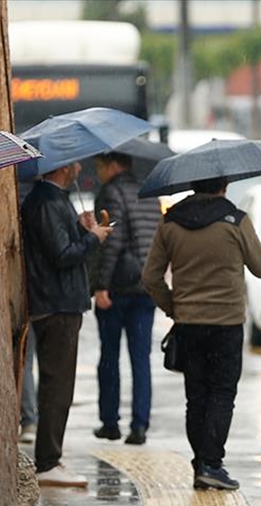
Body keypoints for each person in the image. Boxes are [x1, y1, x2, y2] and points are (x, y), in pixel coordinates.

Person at [142, 177, 261, 490]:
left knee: (196, 396)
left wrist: (172, 306)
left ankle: (201, 463)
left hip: (188, 324)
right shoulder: (236, 221)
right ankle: (212, 464)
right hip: (226, 324)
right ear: (224, 186)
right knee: (222, 394)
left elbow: (150, 276)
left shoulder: (170, 222)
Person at [21, 160, 113, 488]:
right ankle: (48, 461)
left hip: (60, 302)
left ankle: (51, 458)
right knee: (57, 386)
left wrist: (80, 227)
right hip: (56, 303)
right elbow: (61, 255)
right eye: (73, 162)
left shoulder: (54, 200)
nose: (78, 166)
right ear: (62, 168)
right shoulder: (45, 201)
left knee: (59, 386)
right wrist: (93, 239)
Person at [91, 152, 162, 445]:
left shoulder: (111, 192)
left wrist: (101, 285)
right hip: (145, 287)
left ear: (114, 165)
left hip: (118, 288)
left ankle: (110, 422)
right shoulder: (150, 193)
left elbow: (113, 242)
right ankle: (140, 424)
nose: (98, 173)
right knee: (140, 358)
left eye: (100, 167)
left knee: (109, 357)